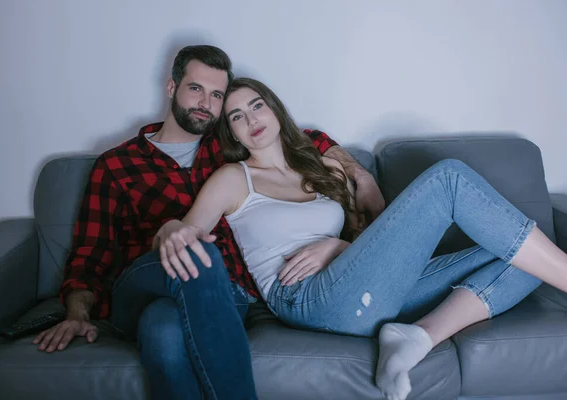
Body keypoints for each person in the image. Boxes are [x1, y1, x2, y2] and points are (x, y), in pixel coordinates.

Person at [154, 77, 567, 400]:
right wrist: (170, 230)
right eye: (236, 116)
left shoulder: (326, 170)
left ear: (276, 110)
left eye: (257, 106)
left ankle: (419, 336)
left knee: (524, 256)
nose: (251, 119)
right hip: (306, 296)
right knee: (449, 179)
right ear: (232, 133)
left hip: (360, 286)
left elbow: (377, 243)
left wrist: (338, 246)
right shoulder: (233, 179)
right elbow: (186, 230)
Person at [31, 45, 385, 400]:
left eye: (217, 95)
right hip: (144, 282)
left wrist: (361, 176)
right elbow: (90, 254)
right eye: (196, 89)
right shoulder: (117, 165)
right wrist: (77, 313)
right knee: (200, 251)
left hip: (227, 296)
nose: (206, 103)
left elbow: (306, 139)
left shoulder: (229, 145)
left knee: (163, 329)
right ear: (172, 88)